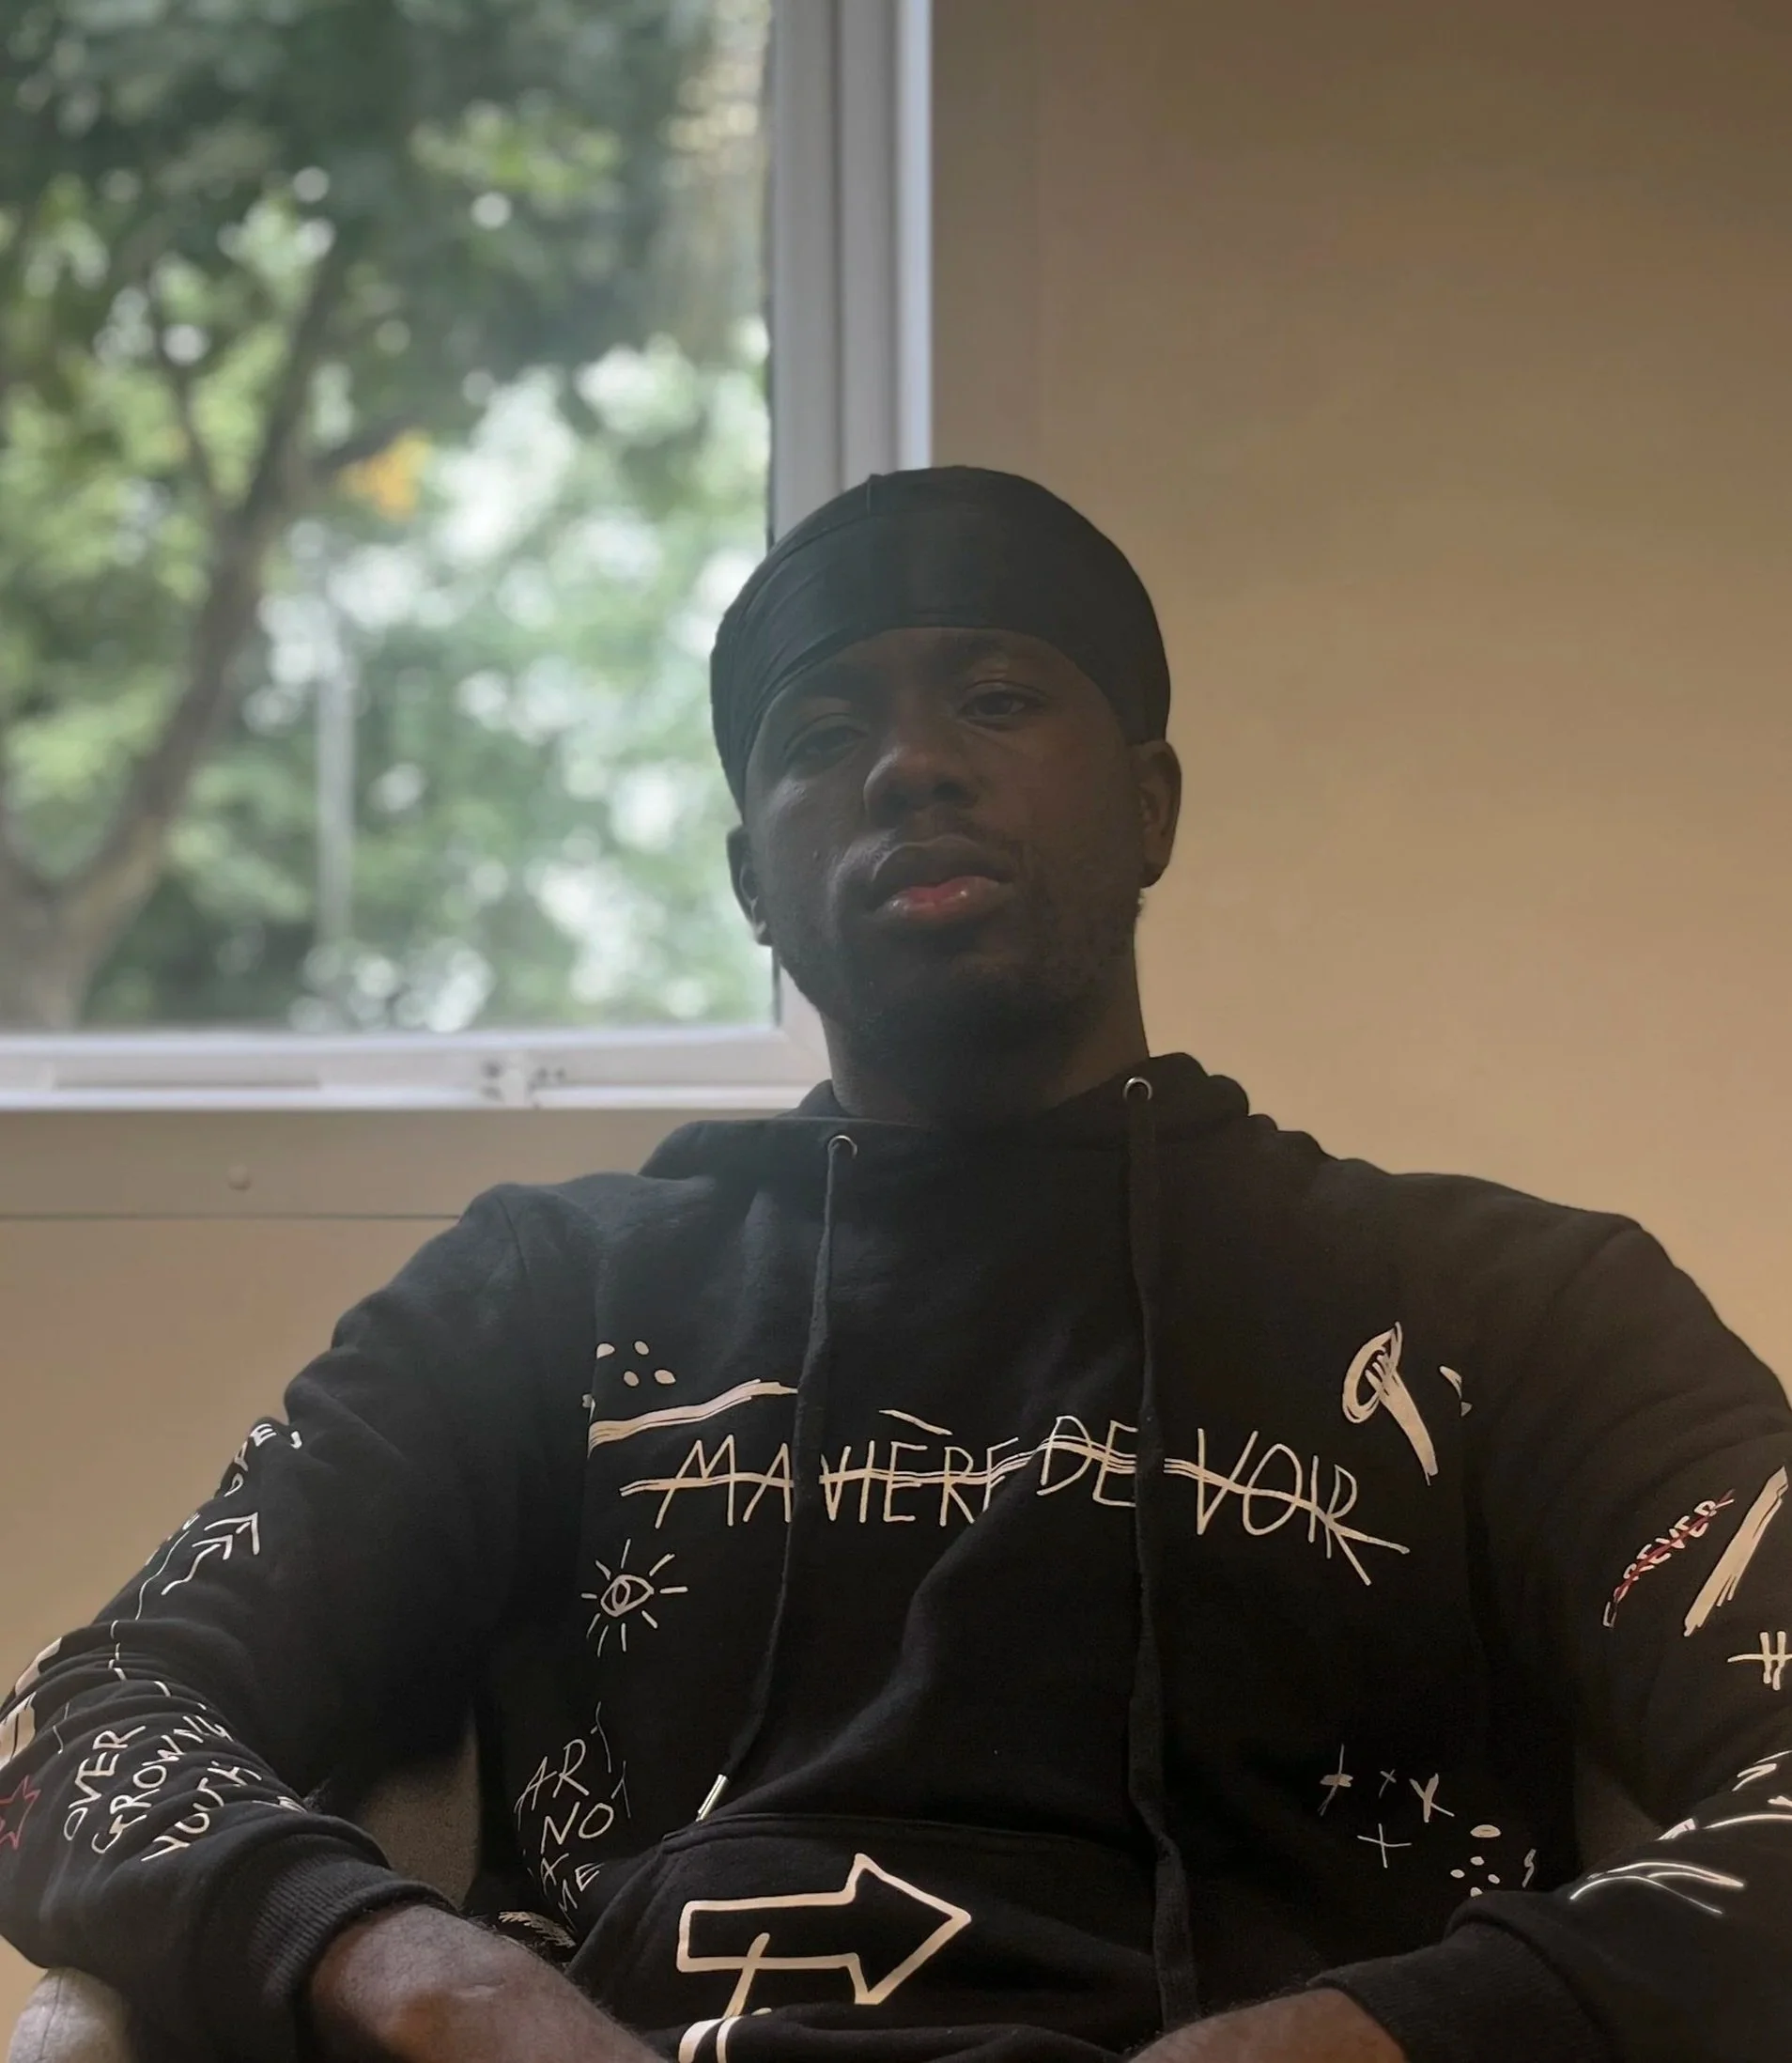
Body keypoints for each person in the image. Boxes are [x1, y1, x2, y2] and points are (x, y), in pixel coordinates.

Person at [1, 468, 1788, 2063]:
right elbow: (75, 1727)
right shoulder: (544, 1299)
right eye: (819, 733)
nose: (911, 765)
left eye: (997, 699)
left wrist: (1381, 2034)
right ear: (751, 885)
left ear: (1152, 807)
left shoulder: (1506, 1310)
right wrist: (432, 1982)